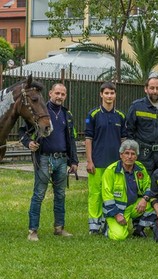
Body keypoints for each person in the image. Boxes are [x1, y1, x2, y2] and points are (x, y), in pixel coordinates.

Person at [19, 83, 78, 241]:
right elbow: (22, 132)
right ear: (50, 93)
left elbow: (71, 139)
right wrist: (28, 143)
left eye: (62, 94)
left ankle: (59, 228)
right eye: (57, 93)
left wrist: (74, 161)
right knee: (38, 195)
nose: (59, 96)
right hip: (44, 158)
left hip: (62, 159)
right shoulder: (41, 111)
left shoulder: (67, 114)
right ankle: (33, 231)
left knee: (60, 195)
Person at [85, 82, 127, 235]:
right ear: (101, 94)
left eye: (112, 93)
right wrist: (89, 161)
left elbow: (124, 141)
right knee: (95, 194)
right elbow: (88, 139)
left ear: (115, 95)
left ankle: (107, 223)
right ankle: (94, 226)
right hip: (97, 162)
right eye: (107, 93)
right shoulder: (93, 115)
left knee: (112, 195)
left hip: (115, 164)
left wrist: (124, 161)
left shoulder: (121, 116)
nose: (109, 96)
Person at [101, 140, 154, 240]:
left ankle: (139, 228)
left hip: (133, 206)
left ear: (136, 156)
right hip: (117, 210)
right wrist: (116, 215)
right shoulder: (110, 171)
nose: (129, 157)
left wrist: (144, 199)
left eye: (133, 154)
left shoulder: (140, 168)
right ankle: (106, 226)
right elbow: (107, 197)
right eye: (126, 153)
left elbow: (148, 186)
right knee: (119, 237)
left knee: (154, 203)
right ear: (121, 155)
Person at [126, 77, 158, 175]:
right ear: (146, 89)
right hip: (144, 154)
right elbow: (129, 131)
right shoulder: (136, 106)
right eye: (152, 88)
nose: (155, 91)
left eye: (157, 88)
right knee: (143, 184)